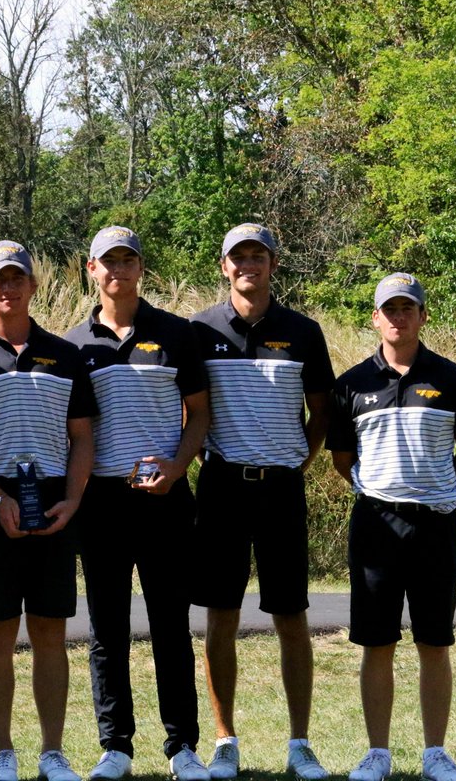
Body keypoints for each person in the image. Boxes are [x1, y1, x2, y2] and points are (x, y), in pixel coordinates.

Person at [0, 241, 96, 781]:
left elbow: (82, 437)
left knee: (51, 632)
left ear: (33, 285)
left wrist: (73, 499)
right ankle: (1, 752)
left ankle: (53, 752)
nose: (8, 288)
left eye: (17, 279)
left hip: (52, 499)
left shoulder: (64, 355)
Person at [64, 226, 211, 781]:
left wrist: (178, 467)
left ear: (140, 269)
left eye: (128, 260)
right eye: (108, 261)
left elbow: (199, 412)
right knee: (107, 629)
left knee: (171, 625)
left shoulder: (177, 333)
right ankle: (115, 746)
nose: (118, 270)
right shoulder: (74, 345)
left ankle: (182, 746)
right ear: (91, 269)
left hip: (166, 496)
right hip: (101, 500)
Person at [189, 224, 334, 780]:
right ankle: (225, 740)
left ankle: (300, 742)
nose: (248, 264)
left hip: (281, 488)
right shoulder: (199, 330)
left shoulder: (303, 331)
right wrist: (201, 453)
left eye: (258, 255)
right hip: (222, 487)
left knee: (291, 616)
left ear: (273, 264)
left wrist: (299, 461)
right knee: (220, 616)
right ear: (224, 266)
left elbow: (322, 411)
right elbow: (188, 407)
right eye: (238, 257)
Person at [327, 273, 456, 781]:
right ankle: (378, 753)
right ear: (375, 317)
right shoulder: (352, 384)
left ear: (422, 316)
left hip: (435, 527)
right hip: (375, 524)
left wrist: (436, 489)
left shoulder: (453, 378)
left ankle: (435, 753)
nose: (398, 317)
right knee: (377, 642)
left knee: (434, 642)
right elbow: (342, 458)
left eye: (407, 309)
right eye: (388, 309)